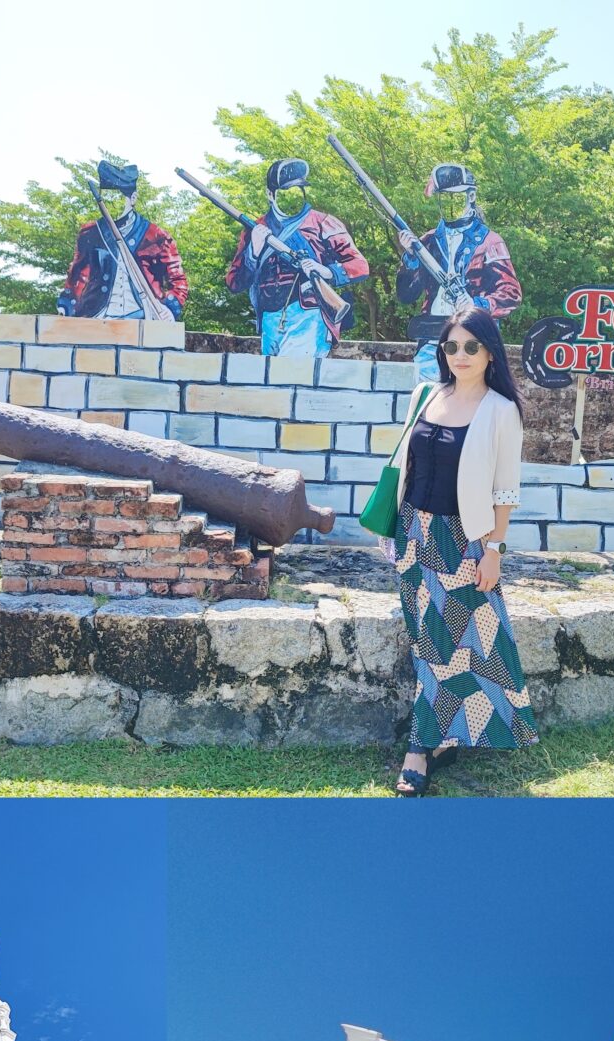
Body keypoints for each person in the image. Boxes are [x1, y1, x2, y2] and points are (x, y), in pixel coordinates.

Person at [379, 308, 540, 793]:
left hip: (463, 540)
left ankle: (418, 752)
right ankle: (442, 741)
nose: (461, 355)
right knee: (430, 643)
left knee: (458, 644)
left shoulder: (500, 409)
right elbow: (403, 465)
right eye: (451, 346)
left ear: (490, 350)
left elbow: (505, 490)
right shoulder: (426, 395)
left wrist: (493, 550)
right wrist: (394, 529)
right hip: (414, 533)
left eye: (471, 346)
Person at [225, 159, 370, 356]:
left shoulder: (323, 223)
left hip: (308, 314)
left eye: (298, 189)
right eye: (286, 191)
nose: (294, 196)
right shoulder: (256, 229)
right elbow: (234, 282)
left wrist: (325, 271)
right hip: (268, 318)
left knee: (290, 376)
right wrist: (254, 253)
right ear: (271, 194)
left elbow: (360, 265)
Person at [395, 162, 522, 331]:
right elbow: (406, 295)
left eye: (454, 196)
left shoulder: (490, 241)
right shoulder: (429, 239)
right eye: (443, 197)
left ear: (471, 196)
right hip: (431, 330)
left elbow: (511, 294)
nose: (449, 204)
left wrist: (477, 305)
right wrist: (411, 257)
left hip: (475, 330)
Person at [56, 159, 186, 321]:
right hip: (97, 314)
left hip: (142, 315)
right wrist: (66, 305)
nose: (110, 204)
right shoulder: (90, 233)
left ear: (132, 199)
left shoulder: (156, 236)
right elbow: (77, 277)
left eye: (117, 198)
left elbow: (178, 280)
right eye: (106, 198)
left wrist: (169, 308)